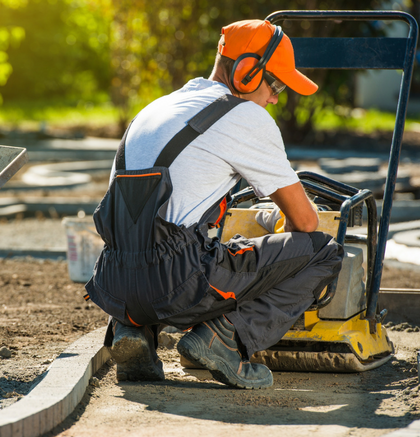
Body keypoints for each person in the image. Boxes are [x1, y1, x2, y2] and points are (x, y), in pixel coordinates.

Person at [85, 19, 344, 389]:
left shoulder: (156, 109)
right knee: (323, 252)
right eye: (276, 85)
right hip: (177, 283)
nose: (275, 97)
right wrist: (278, 226)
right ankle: (223, 338)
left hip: (112, 280)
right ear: (247, 71)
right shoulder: (244, 116)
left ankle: (133, 331)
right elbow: (304, 222)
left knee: (164, 242)